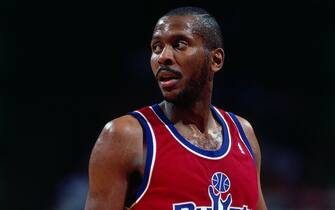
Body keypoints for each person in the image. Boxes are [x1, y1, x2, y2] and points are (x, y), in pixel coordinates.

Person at [85, 6, 267, 210]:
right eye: (156, 47)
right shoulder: (125, 136)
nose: (163, 56)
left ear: (215, 60)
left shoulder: (244, 134)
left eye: (179, 44)